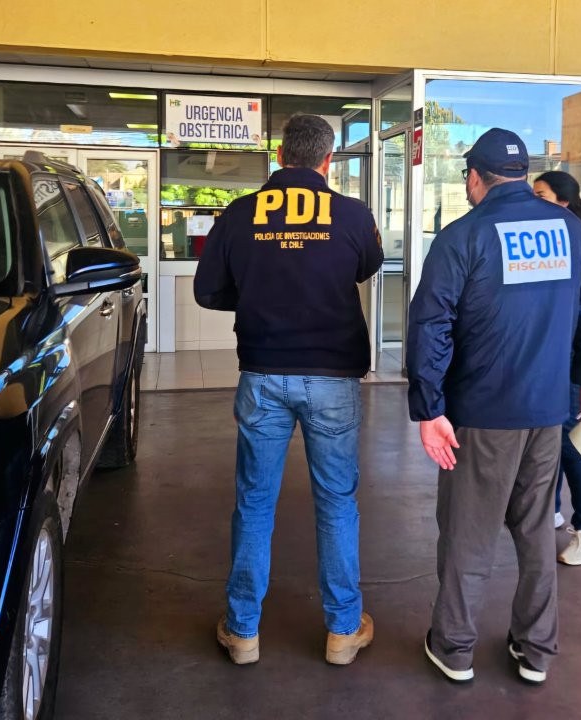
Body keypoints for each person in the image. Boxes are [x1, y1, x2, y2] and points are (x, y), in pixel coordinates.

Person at [406, 129, 581, 685]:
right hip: (548, 410)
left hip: (480, 415)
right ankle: (536, 650)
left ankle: (453, 647)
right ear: (522, 175)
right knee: (537, 531)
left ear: (475, 177)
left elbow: (431, 325)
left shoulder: (462, 236)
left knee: (468, 534)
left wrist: (429, 408)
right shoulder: (572, 232)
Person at [194, 113, 384, 666]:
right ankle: (343, 631)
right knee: (337, 502)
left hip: (262, 374)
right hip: (333, 377)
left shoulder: (239, 213)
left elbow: (208, 291)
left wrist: (259, 295)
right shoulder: (352, 214)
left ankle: (242, 632)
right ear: (328, 159)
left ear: (280, 155)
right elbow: (367, 266)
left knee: (254, 502)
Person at [534, 171, 581, 565]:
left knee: (574, 442)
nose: (533, 201)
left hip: (573, 363)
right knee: (550, 438)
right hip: (550, 359)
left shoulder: (577, 239)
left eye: (542, 195)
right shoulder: (543, 237)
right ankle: (552, 509)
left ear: (564, 201)